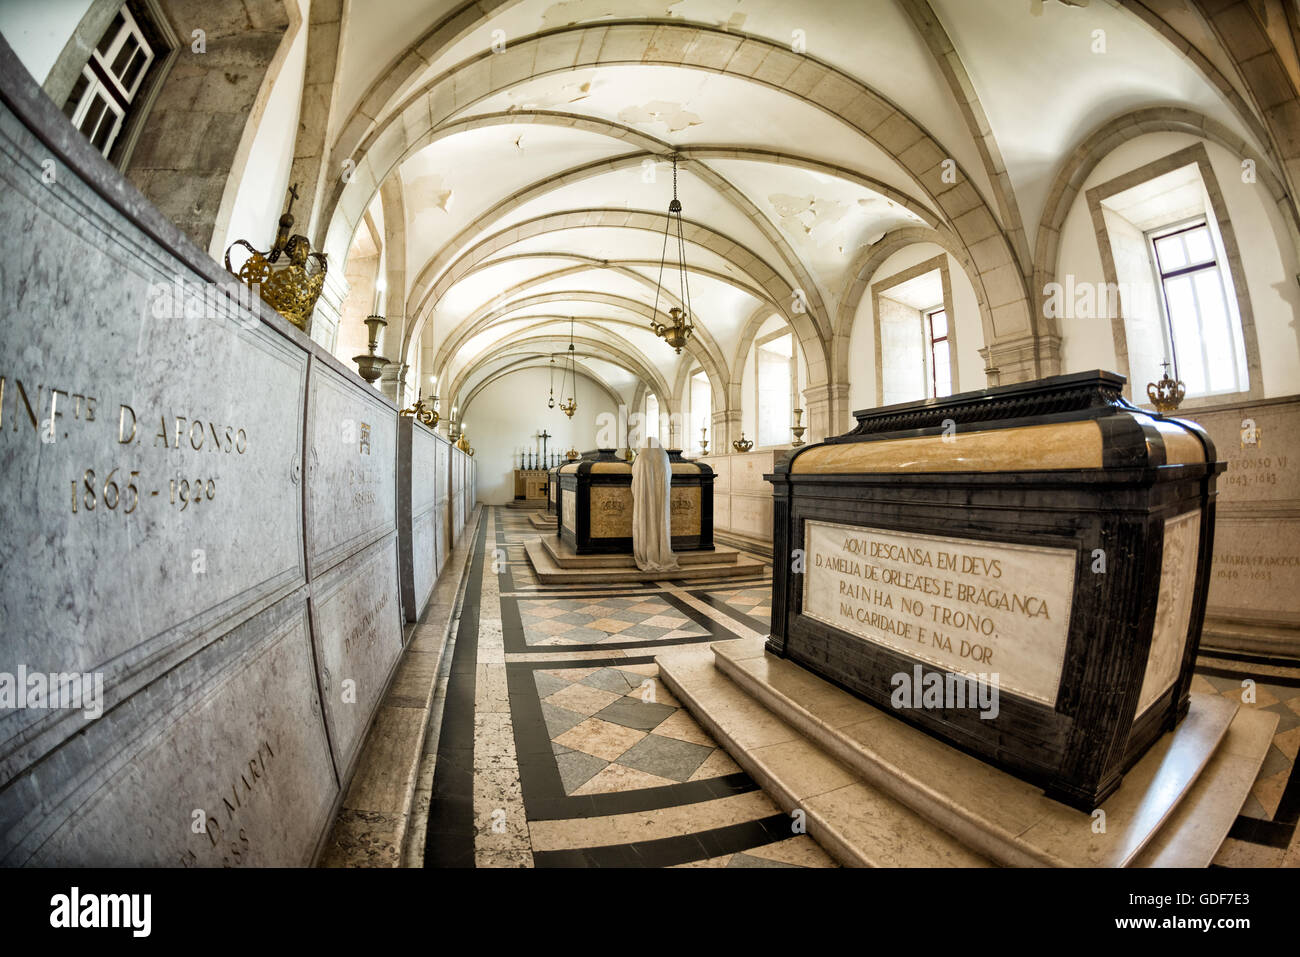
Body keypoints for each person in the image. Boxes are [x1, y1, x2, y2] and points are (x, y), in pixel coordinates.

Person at [631, 437, 679, 573]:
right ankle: (661, 552)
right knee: (660, 522)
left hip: (645, 500)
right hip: (661, 500)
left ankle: (646, 552)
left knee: (646, 521)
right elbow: (668, 477)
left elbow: (634, 480)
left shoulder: (641, 458)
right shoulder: (664, 458)